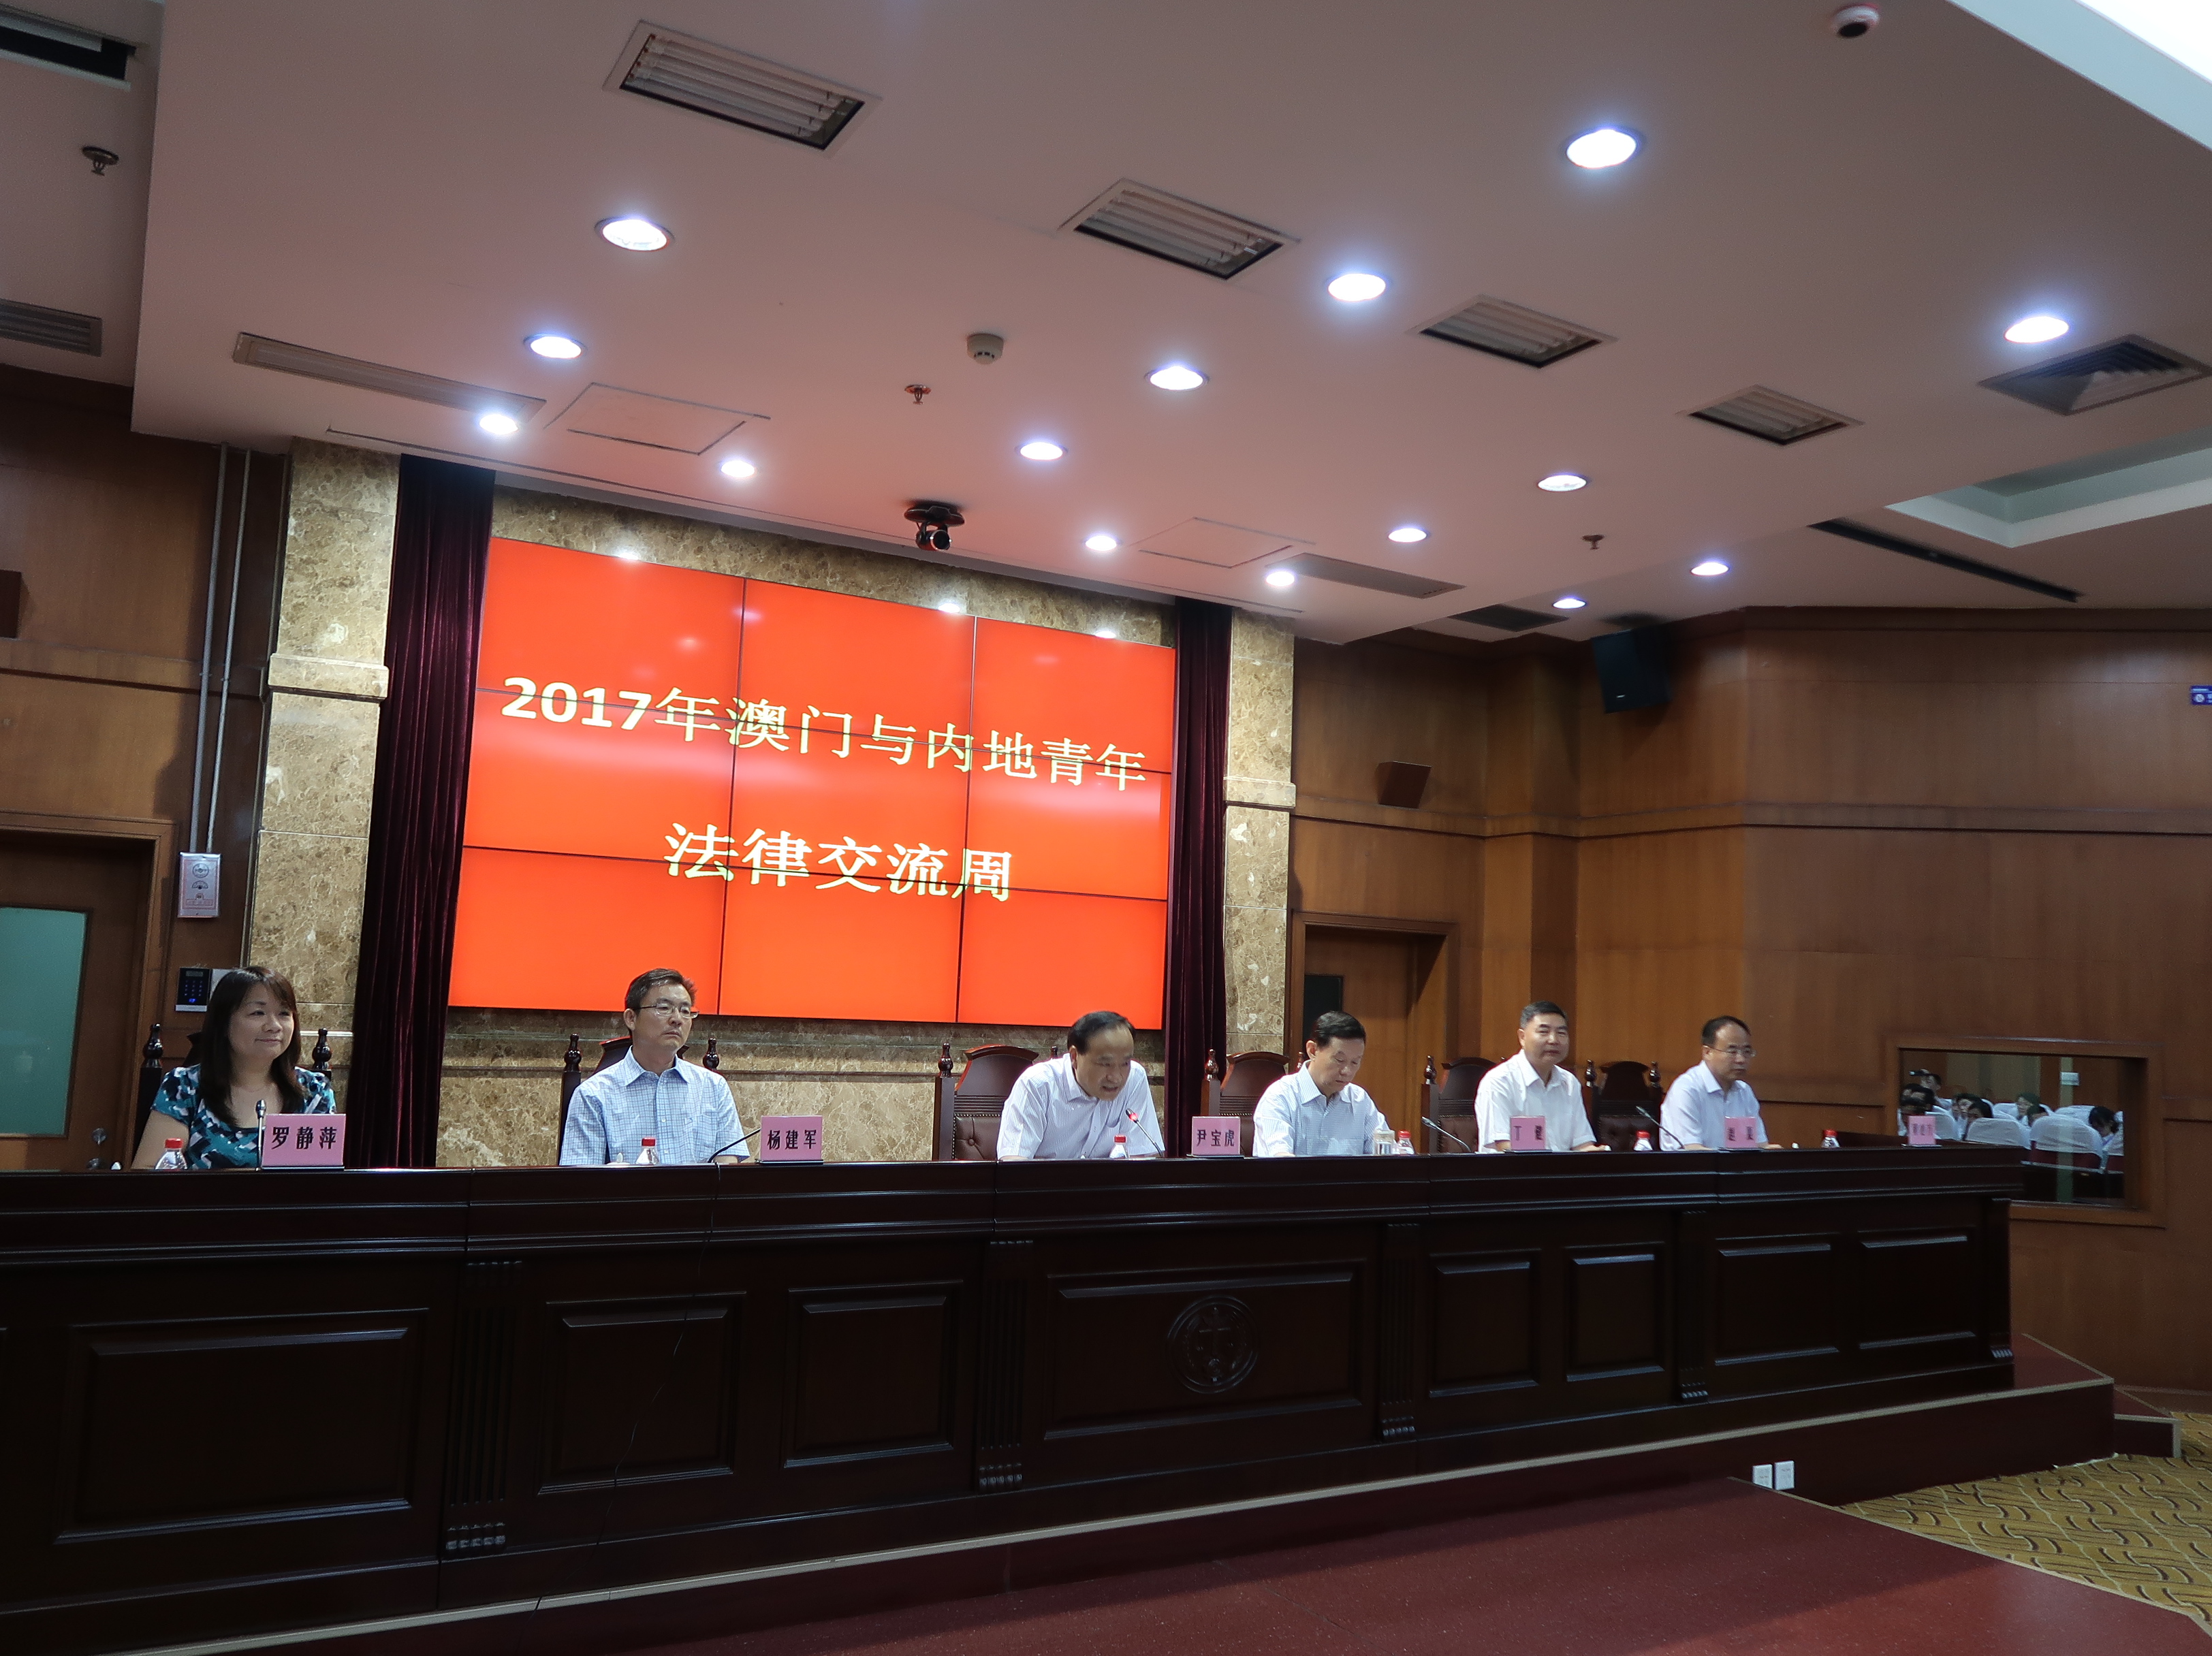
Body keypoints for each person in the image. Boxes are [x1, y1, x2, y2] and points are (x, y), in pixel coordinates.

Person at [132, 966, 336, 1168]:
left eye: (284, 1013)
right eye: (258, 1013)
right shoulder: (185, 1086)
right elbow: (149, 1171)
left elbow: (323, 1178)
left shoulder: (313, 1091)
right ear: (223, 1023)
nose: (274, 1026)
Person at [560, 968, 747, 1165]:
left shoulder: (713, 1087)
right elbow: (582, 1176)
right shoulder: (594, 1094)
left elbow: (728, 1165)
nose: (677, 1019)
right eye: (664, 1008)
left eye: (685, 1011)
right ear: (631, 1018)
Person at [998, 1010, 1163, 1158]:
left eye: (1125, 1063)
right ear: (1075, 1057)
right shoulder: (1037, 1085)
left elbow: (1139, 1158)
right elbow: (1014, 1164)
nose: (1116, 1078)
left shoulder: (1134, 1078)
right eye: (1105, 1064)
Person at [1252, 1010, 1389, 1156]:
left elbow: (1387, 1156)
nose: (1347, 1071)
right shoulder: (1280, 1097)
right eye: (1339, 1060)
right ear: (1313, 1051)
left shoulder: (1360, 1101)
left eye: (1355, 1062)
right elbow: (1280, 1160)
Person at [1473, 1002, 1602, 1153]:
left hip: (1562, 1168)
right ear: (1522, 1037)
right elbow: (1504, 1147)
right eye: (1544, 1032)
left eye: (1561, 1033)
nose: (1553, 1040)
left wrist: (1597, 1153)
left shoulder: (1569, 1083)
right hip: (1515, 1168)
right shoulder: (1499, 1082)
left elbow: (1581, 1144)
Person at [1659, 1015, 1767, 1150]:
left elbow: (1757, 1145)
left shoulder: (1744, 1091)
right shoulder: (1687, 1090)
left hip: (1733, 1164)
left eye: (1746, 1051)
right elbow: (1692, 1150)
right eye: (1732, 1051)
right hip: (1695, 1164)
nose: (1741, 1059)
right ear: (1707, 1052)